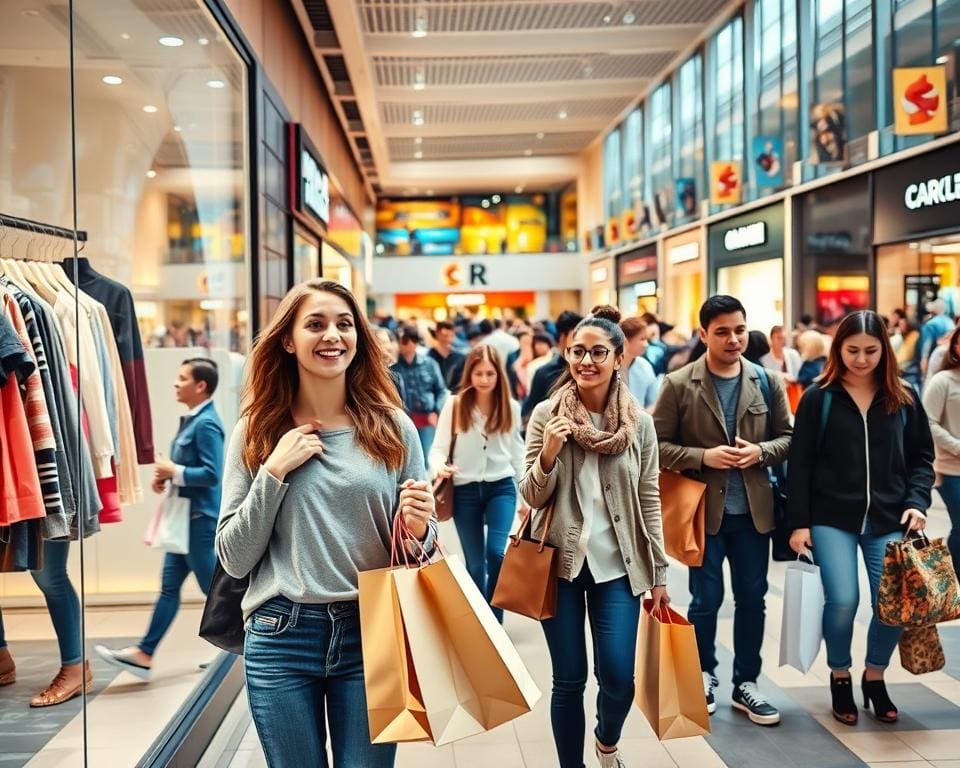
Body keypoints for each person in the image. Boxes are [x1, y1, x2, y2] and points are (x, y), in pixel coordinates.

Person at [215, 279, 437, 768]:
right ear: (288, 340)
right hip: (281, 634)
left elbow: (421, 546)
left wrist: (420, 527)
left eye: (344, 324)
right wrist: (273, 472)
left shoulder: (393, 427)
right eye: (315, 324)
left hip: (372, 632)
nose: (332, 335)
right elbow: (233, 557)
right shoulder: (256, 432)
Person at [521, 307, 669, 768]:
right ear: (567, 355)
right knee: (568, 681)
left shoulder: (639, 425)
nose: (587, 361)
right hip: (557, 565)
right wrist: (548, 454)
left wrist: (659, 573)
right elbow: (530, 494)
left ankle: (607, 741)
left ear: (619, 358)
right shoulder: (546, 415)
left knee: (619, 679)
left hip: (619, 566)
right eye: (578, 351)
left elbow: (649, 497)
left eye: (598, 352)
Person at [786, 310, 934, 726]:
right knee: (843, 600)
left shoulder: (903, 397)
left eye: (871, 350)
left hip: (889, 517)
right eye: (852, 350)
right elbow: (800, 464)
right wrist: (798, 522)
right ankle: (839, 675)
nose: (862, 359)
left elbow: (922, 458)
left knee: (892, 606)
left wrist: (917, 502)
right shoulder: (819, 397)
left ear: (884, 349)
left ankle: (874, 676)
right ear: (838, 349)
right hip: (831, 516)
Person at [654, 295, 792, 726]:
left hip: (754, 513)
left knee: (752, 598)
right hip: (703, 513)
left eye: (739, 330)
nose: (734, 339)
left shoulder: (767, 381)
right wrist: (703, 457)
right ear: (703, 335)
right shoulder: (679, 383)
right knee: (706, 599)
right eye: (722, 332)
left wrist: (760, 452)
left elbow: (789, 438)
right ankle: (705, 673)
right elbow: (657, 446)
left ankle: (746, 683)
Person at [95, 358, 224, 678]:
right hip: (185, 520)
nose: (176, 384)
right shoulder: (194, 420)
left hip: (199, 520)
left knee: (214, 591)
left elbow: (212, 475)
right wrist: (169, 478)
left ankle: (238, 652)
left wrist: (174, 470)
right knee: (171, 588)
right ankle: (145, 653)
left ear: (201, 386)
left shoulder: (206, 424)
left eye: (182, 378)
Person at [430, 345, 524, 622]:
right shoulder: (455, 405)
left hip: (501, 487)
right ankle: (481, 622)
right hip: (464, 490)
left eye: (490, 374)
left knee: (496, 553)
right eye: (478, 373)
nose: (484, 379)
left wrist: (526, 499)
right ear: (469, 374)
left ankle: (495, 620)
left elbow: (517, 453)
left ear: (499, 375)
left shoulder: (510, 407)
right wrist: (440, 466)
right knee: (474, 564)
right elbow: (437, 449)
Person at [922, 324, 960, 579]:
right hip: (951, 469)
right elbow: (928, 422)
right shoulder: (943, 381)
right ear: (955, 346)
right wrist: (957, 446)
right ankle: (954, 582)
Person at [391, 324, 448, 464]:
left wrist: (437, 411)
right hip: (404, 421)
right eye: (402, 340)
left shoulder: (430, 364)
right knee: (410, 460)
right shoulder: (393, 370)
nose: (405, 344)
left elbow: (441, 390)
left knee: (428, 458)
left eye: (409, 340)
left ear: (415, 341)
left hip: (427, 419)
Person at [522, 310, 583, 427]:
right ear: (562, 338)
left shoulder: (588, 370)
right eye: (576, 337)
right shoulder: (544, 373)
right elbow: (530, 413)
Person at [620, 316, 659, 410]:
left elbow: (653, 402)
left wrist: (644, 416)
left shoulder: (645, 366)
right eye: (642, 339)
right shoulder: (609, 367)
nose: (646, 344)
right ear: (625, 340)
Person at [428, 320, 466, 393]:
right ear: (437, 334)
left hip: (455, 395)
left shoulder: (460, 358)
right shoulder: (428, 358)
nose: (447, 339)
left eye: (451, 336)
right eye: (444, 335)